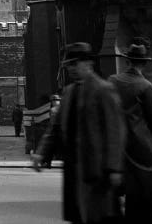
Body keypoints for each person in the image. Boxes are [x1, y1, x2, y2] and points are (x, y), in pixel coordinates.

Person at [32, 42, 125, 224]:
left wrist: (114, 168)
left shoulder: (104, 90)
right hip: (74, 169)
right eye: (69, 65)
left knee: (100, 216)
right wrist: (42, 152)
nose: (71, 69)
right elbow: (55, 128)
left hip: (98, 169)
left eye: (75, 64)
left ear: (88, 63)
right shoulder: (68, 92)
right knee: (79, 215)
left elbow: (115, 131)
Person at [109, 41, 152, 223]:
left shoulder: (112, 82)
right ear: (144, 64)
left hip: (118, 148)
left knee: (136, 197)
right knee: (145, 192)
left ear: (127, 62)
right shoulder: (145, 86)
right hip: (141, 150)